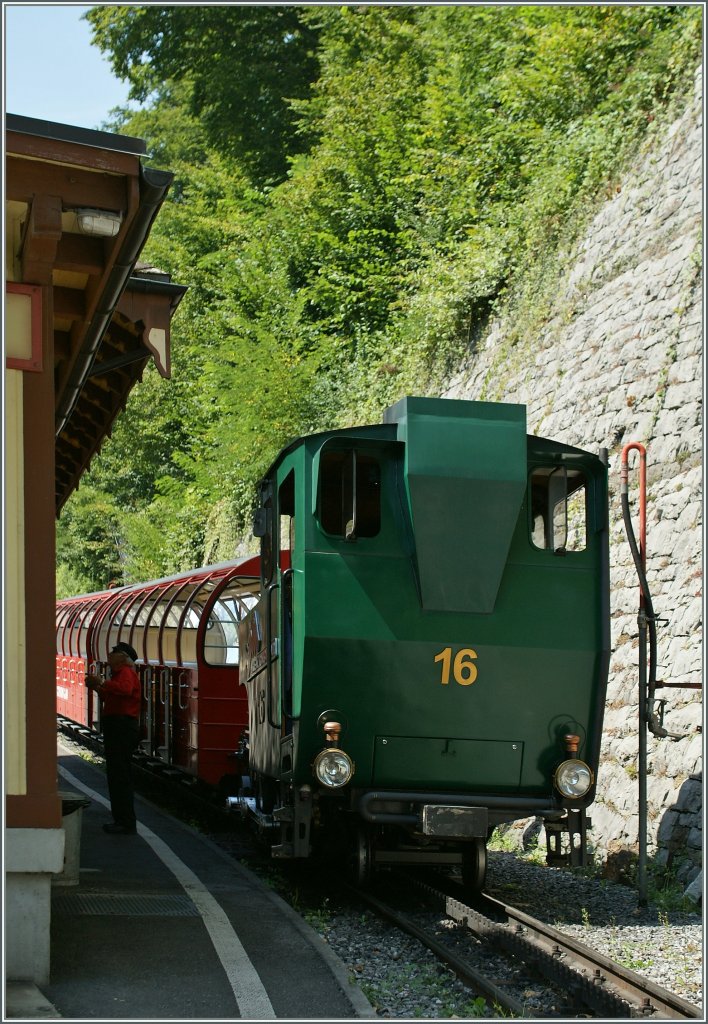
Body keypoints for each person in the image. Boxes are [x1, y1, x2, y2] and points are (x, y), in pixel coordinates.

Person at [85, 642, 141, 835]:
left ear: (123, 658)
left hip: (121, 727)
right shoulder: (118, 675)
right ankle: (121, 820)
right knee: (117, 775)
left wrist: (101, 682)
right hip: (118, 726)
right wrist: (97, 687)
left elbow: (125, 690)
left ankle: (125, 822)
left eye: (114, 652)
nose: (110, 655)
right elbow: (111, 697)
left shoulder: (126, 673)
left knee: (120, 776)